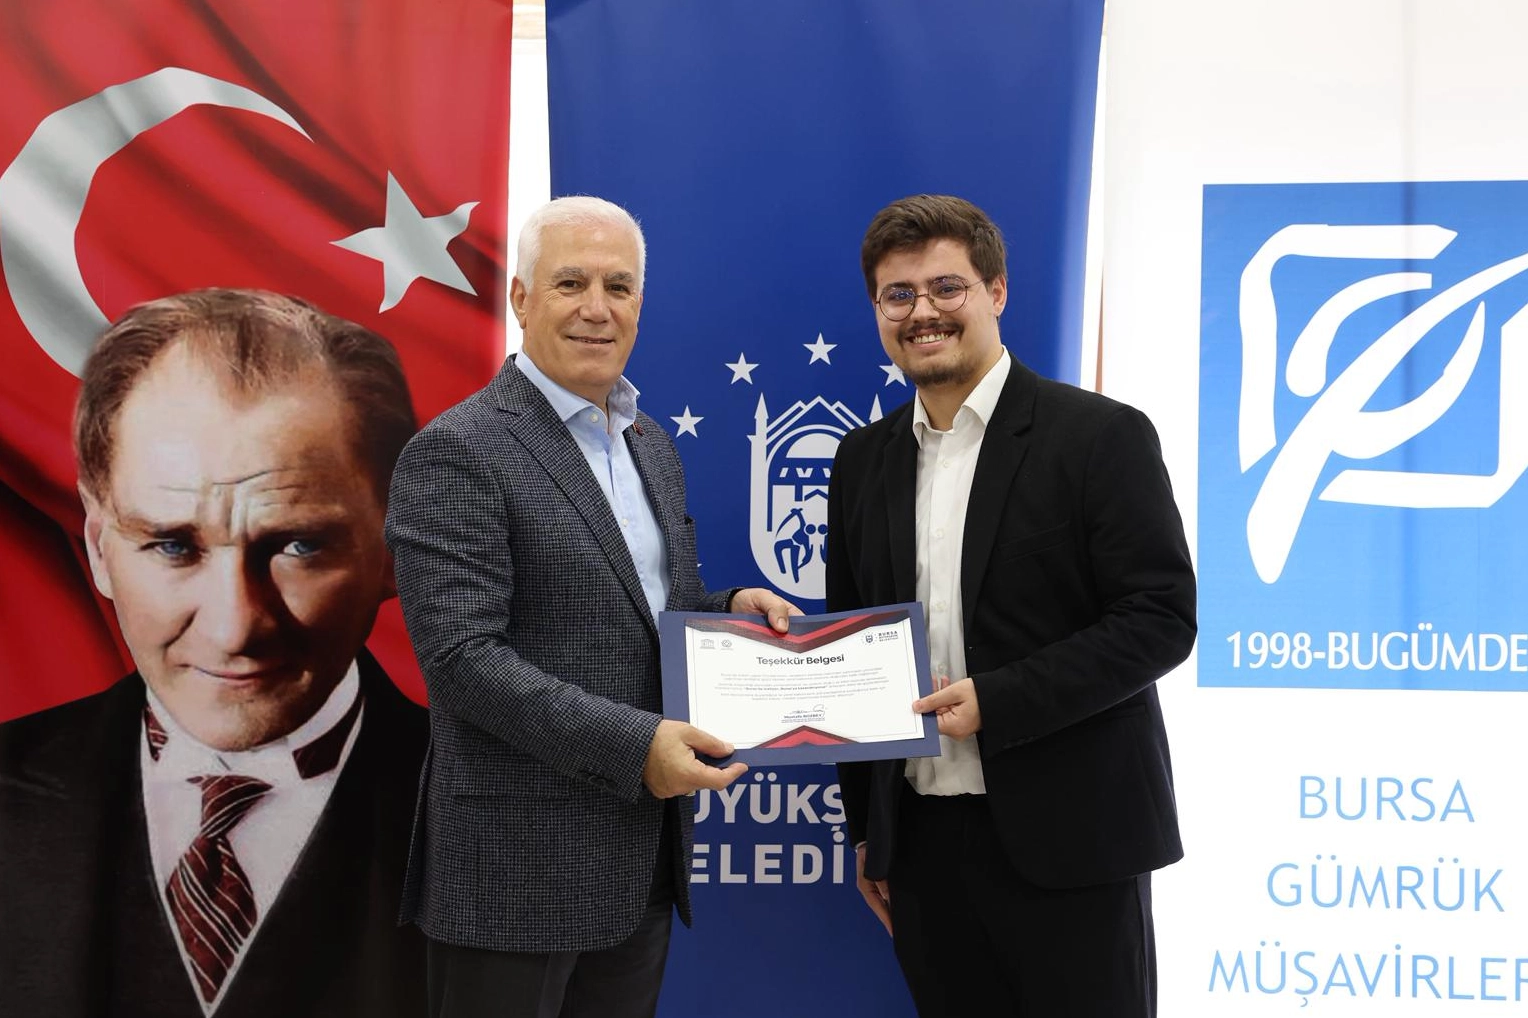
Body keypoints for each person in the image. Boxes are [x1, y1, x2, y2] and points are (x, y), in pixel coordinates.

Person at [385, 195, 799, 1018]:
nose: (597, 309)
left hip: (638, 858)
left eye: (619, 286)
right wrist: (638, 745)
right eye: (570, 283)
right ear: (521, 298)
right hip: (515, 870)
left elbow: (642, 607)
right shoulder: (458, 450)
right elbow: (463, 660)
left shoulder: (650, 444)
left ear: (640, 302)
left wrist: (728, 610)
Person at [0, 288, 429, 1018]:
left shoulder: (534, 832)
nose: (235, 629)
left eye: (298, 546)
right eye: (172, 546)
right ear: (99, 548)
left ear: (396, 547)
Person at [827, 195, 1197, 1017]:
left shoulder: (1099, 436)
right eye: (898, 295)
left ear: (996, 291)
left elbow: (1160, 618)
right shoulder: (860, 461)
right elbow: (854, 644)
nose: (922, 312)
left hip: (1074, 842)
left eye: (946, 287)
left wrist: (997, 700)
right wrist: (868, 830)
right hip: (920, 849)